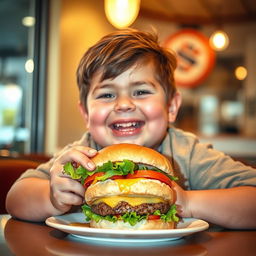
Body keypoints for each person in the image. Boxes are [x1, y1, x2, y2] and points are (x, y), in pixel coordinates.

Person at [6, 29, 256, 229]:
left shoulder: (185, 152)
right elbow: (15, 198)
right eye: (106, 95)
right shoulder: (83, 155)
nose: (124, 104)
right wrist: (51, 197)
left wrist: (188, 202)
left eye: (141, 91)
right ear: (86, 114)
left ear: (171, 107)